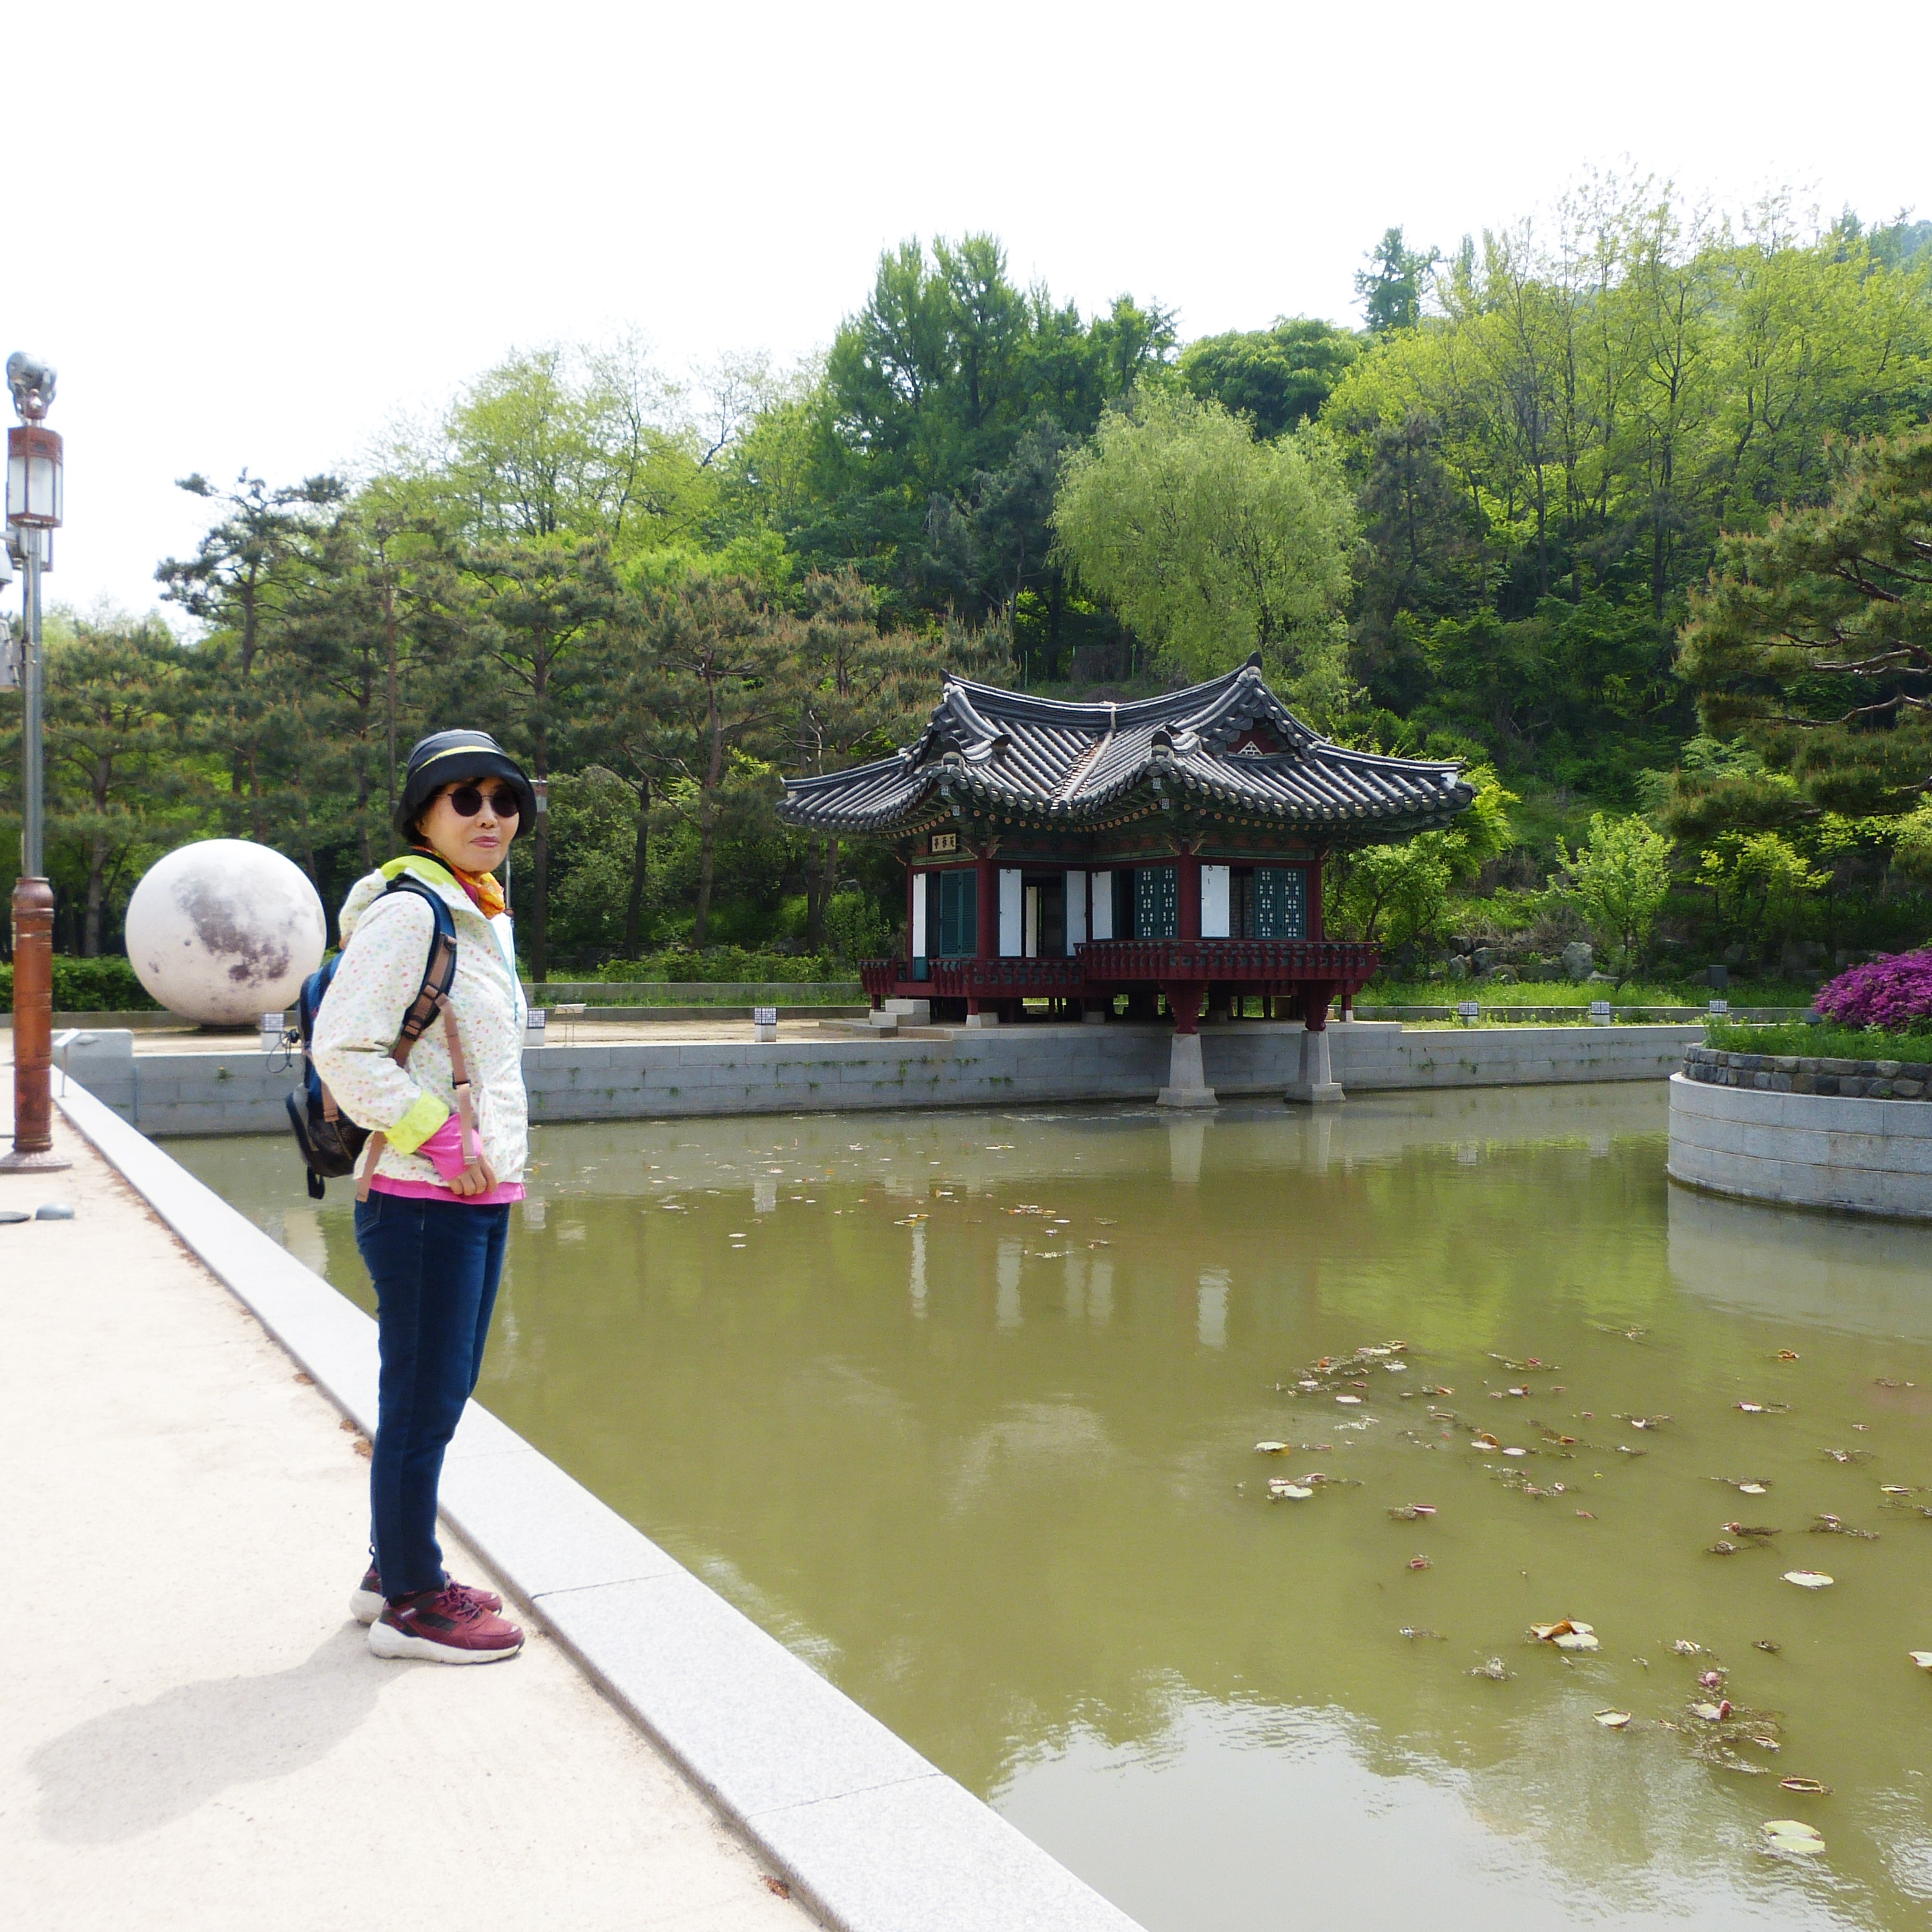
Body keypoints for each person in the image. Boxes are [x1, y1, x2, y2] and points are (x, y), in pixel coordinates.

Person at [313, 729, 536, 1664]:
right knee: (422, 1395)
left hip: (474, 1196)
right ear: (424, 815)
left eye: (504, 800)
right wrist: (441, 1140)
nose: (490, 816)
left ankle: (388, 1569)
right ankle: (412, 1599)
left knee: (438, 1391)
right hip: (420, 1197)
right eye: (465, 799)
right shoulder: (413, 913)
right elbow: (343, 1048)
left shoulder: (481, 913)